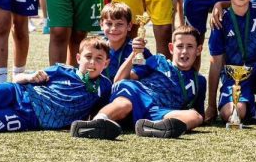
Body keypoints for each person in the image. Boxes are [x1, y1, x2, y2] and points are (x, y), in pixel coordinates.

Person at [70, 25, 206, 140]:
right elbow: (119, 80)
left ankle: (155, 127)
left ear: (198, 50)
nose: (184, 51)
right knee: (125, 104)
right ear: (171, 48)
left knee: (196, 117)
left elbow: (199, 112)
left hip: (158, 111)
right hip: (138, 94)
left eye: (190, 46)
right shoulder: (158, 61)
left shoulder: (199, 81)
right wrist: (134, 54)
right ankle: (98, 122)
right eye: (180, 46)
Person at [100, 2, 150, 81]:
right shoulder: (97, 47)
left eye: (119, 24)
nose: (113, 28)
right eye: (109, 23)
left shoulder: (139, 52)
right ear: (101, 24)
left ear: (129, 26)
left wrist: (134, 53)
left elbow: (120, 81)